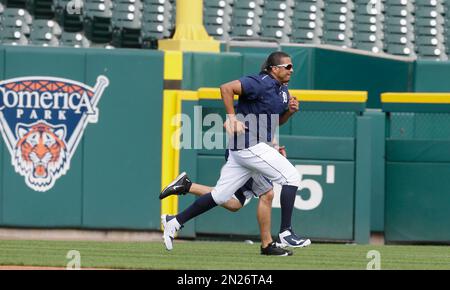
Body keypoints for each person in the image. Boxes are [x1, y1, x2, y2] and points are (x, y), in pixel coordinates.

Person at [161, 51, 311, 251]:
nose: (292, 70)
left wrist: (289, 113)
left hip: (246, 148)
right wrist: (231, 117)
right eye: (288, 67)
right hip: (248, 144)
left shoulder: (283, 90)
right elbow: (226, 88)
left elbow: (275, 122)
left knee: (223, 197)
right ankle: (285, 233)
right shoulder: (260, 82)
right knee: (291, 176)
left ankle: (175, 221)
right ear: (275, 69)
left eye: (292, 66)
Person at [160, 141, 293, 256]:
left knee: (234, 203)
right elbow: (253, 125)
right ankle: (267, 245)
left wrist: (274, 147)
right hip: (245, 153)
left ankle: (185, 187)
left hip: (247, 152)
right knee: (267, 194)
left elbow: (268, 125)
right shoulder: (250, 113)